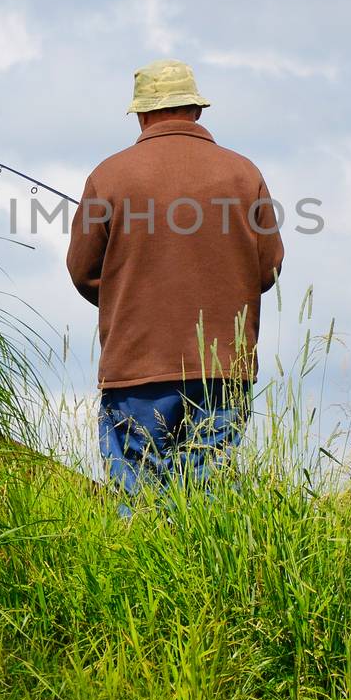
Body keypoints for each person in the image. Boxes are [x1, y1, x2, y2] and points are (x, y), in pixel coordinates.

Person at [66, 59, 284, 507]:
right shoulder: (244, 174)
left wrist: (126, 304)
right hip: (225, 366)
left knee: (137, 502)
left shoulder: (109, 175)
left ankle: (139, 576)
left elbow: (82, 269)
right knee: (209, 506)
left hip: (136, 366)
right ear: (197, 111)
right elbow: (269, 269)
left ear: (142, 115)